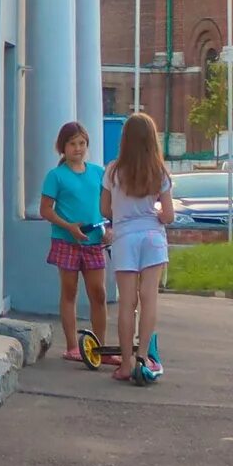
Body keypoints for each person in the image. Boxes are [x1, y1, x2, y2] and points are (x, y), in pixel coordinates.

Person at [106, 112, 175, 384]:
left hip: (124, 237)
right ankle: (143, 358)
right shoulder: (159, 172)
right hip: (152, 237)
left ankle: (124, 364)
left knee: (127, 302)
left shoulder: (112, 171)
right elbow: (168, 215)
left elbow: (104, 209)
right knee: (149, 299)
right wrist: (155, 214)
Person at [37, 121, 108, 363]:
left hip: (94, 240)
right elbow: (45, 210)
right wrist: (69, 227)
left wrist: (108, 228)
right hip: (66, 241)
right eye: (72, 143)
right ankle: (71, 347)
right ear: (62, 147)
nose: (77, 148)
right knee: (70, 292)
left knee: (98, 293)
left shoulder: (98, 172)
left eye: (82, 143)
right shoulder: (56, 176)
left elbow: (107, 206)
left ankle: (99, 347)